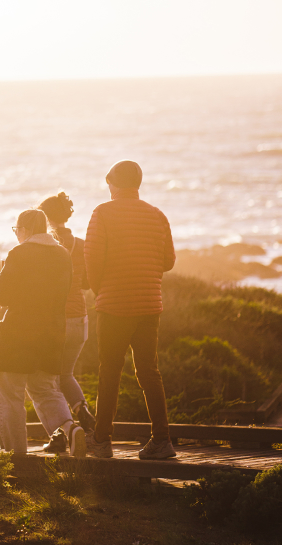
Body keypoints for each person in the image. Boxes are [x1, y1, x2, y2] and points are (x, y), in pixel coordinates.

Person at [84, 160, 176, 460]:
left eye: (108, 183)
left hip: (113, 306)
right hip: (150, 305)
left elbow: (93, 259)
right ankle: (162, 441)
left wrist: (101, 290)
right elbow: (168, 261)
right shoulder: (157, 215)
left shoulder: (103, 213)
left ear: (113, 183)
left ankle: (102, 441)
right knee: (149, 372)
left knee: (110, 371)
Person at [0, 209, 85, 456]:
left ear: (25, 229)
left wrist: (4, 270)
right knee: (45, 390)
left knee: (9, 394)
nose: (16, 234)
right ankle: (71, 429)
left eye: (16, 230)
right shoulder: (63, 254)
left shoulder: (19, 253)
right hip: (52, 334)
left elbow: (1, 295)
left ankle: (13, 454)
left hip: (18, 334)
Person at [37, 192, 97, 454]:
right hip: (80, 320)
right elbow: (87, 283)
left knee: (45, 382)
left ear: (45, 218)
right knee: (65, 375)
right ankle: (82, 411)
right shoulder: (82, 245)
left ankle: (62, 434)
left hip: (56, 322)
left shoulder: (44, 246)